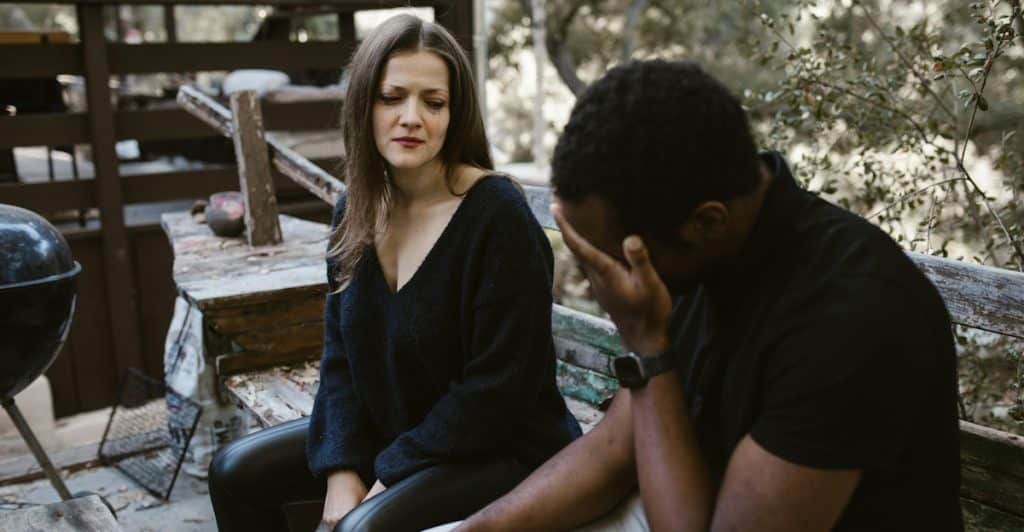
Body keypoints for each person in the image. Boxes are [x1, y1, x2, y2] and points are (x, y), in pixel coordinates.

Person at [453, 60, 962, 531]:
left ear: (707, 222)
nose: (597, 283)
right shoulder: (702, 251)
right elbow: (614, 449)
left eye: (608, 259)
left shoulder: (851, 319)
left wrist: (647, 345)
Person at [208, 14, 581, 532]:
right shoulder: (355, 209)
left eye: (434, 102)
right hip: (401, 431)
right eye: (392, 97)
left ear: (455, 114)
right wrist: (341, 466)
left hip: (501, 448)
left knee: (363, 528)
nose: (412, 118)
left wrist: (389, 473)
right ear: (364, 103)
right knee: (233, 472)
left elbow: (499, 389)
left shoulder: (496, 215)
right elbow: (339, 358)